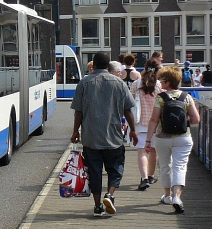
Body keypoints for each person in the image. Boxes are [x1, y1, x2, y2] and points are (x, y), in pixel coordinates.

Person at [70, 52, 138, 217]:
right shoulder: (119, 83)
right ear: (108, 66)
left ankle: (97, 206)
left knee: (94, 171)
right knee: (116, 167)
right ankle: (110, 194)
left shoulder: (84, 83)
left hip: (91, 136)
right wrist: (133, 130)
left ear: (94, 64)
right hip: (113, 135)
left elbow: (78, 111)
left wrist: (75, 131)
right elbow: (128, 109)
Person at [145, 65, 201, 213]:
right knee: (180, 166)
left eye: (162, 80)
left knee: (165, 166)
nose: (160, 83)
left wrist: (148, 140)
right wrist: (183, 120)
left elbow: (154, 120)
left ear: (168, 82)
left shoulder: (160, 98)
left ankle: (167, 195)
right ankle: (177, 196)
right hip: (183, 138)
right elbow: (196, 119)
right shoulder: (186, 97)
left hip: (163, 138)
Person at [130, 59, 162, 190]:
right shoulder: (159, 85)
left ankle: (143, 179)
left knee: (141, 151)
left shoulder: (136, 84)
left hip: (139, 123)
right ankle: (151, 175)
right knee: (154, 151)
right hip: (155, 123)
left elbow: (130, 103)